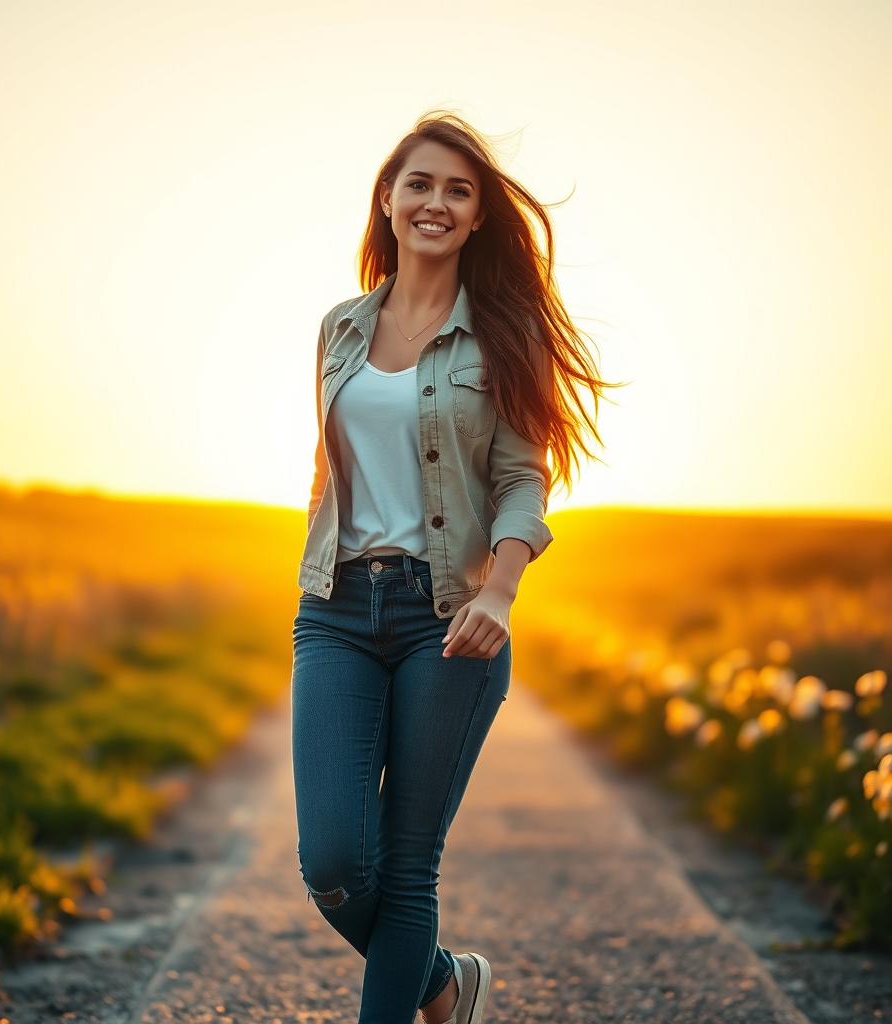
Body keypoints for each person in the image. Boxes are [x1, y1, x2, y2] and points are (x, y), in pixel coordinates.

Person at [291, 110, 617, 1024]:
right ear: (388, 201)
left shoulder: (505, 337)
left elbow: (523, 479)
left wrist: (502, 591)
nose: (436, 202)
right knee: (334, 865)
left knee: (404, 863)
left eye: (458, 190)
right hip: (336, 612)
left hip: (452, 618)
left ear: (477, 218)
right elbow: (328, 464)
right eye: (420, 184)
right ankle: (442, 981)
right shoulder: (338, 329)